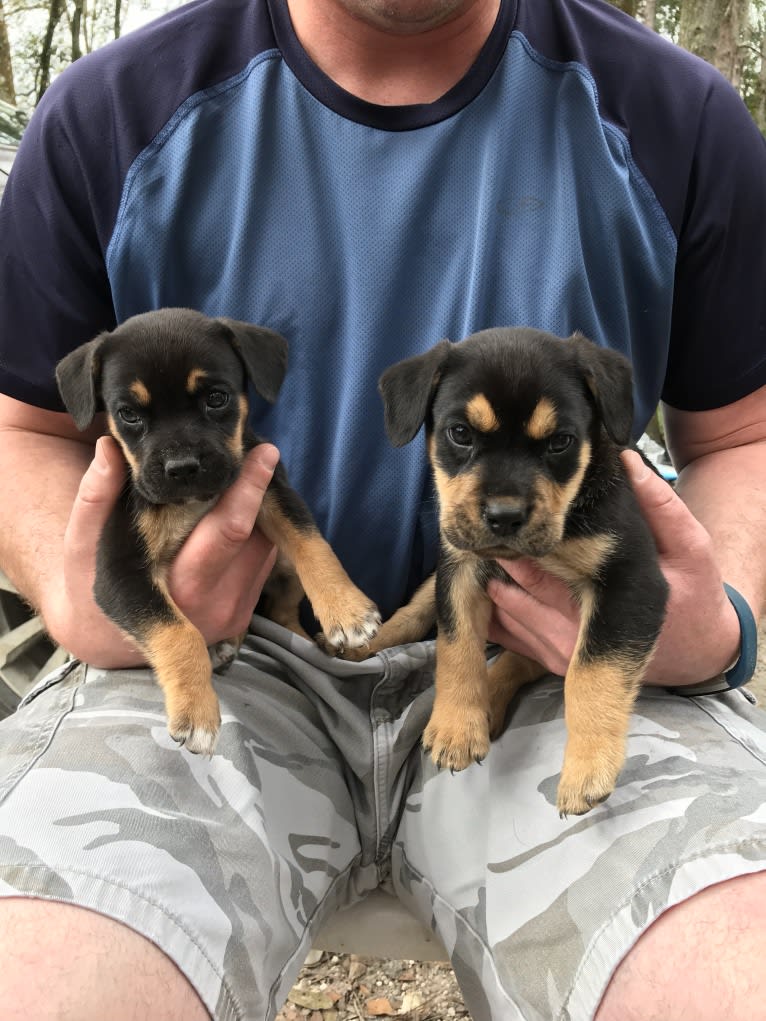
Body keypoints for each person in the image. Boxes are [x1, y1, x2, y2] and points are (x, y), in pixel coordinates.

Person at [0, 0, 765, 1017]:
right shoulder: (112, 114)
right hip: (216, 653)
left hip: (553, 659)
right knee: (46, 972)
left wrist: (724, 620)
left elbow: (742, 437)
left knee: (731, 963)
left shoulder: (679, 117)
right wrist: (81, 590)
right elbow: (23, 428)